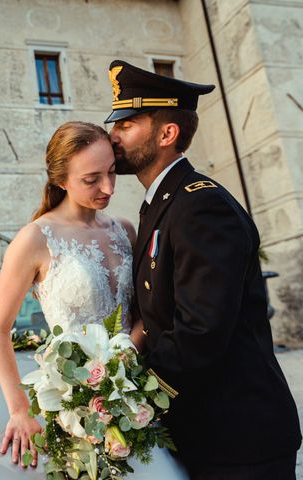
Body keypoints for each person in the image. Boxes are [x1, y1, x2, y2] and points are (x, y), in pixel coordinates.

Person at [105, 59, 302, 479]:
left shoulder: (201, 206)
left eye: (126, 124)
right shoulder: (164, 204)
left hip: (238, 438)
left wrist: (129, 397)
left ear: (167, 133)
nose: (113, 135)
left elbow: (200, 330)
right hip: (203, 430)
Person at [0, 121, 188, 478]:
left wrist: (124, 362)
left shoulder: (124, 229)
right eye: (91, 179)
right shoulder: (34, 240)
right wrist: (19, 410)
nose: (107, 187)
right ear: (61, 180)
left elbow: (144, 313)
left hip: (138, 398)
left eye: (112, 172)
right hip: (76, 412)